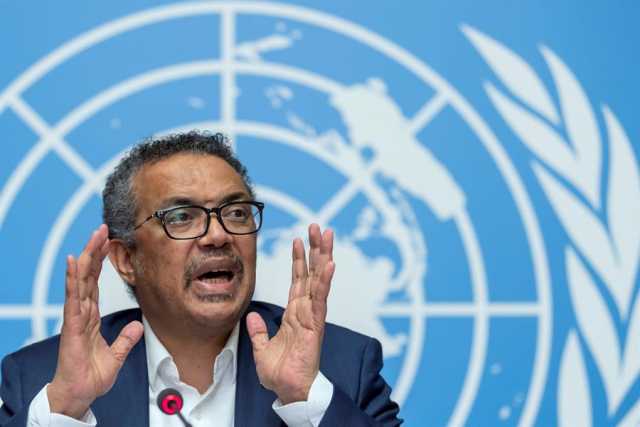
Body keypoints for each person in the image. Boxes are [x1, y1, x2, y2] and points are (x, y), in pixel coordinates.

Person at [0, 131, 401, 426]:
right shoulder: (43, 381)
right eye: (181, 217)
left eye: (237, 213)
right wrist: (65, 411)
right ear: (126, 259)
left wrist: (304, 397)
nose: (218, 235)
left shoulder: (341, 366)